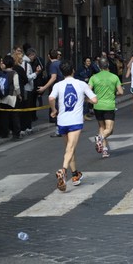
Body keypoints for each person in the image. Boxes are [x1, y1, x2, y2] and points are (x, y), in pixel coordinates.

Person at [49, 61, 98, 191]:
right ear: (73, 71)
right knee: (70, 148)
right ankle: (63, 170)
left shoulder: (58, 85)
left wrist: (53, 110)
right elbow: (94, 100)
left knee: (69, 149)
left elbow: (50, 98)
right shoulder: (81, 84)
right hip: (75, 121)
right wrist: (84, 99)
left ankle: (75, 174)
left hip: (62, 121)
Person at [89, 58, 123, 158]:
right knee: (109, 130)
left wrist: (92, 98)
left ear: (99, 66)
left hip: (97, 105)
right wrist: (113, 93)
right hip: (109, 105)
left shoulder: (94, 77)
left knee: (101, 127)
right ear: (108, 65)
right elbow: (121, 92)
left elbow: (88, 90)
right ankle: (99, 138)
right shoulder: (114, 77)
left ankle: (104, 150)